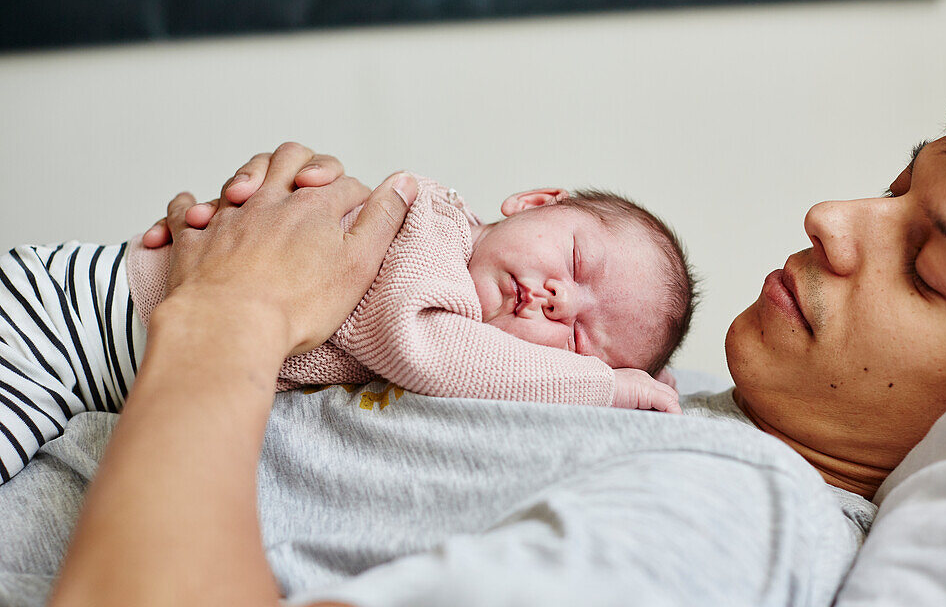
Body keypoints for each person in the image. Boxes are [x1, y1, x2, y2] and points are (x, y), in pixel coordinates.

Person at [16, 72, 946, 607]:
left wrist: (229, 315)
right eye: (890, 187)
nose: (830, 217)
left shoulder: (731, 511)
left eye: (922, 267)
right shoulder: (650, 397)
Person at [0, 176, 693, 484]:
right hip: (66, 321)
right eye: (574, 261)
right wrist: (606, 383)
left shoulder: (466, 298)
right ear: (537, 201)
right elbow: (436, 352)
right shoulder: (427, 225)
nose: (552, 299)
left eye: (577, 335)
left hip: (91, 363)